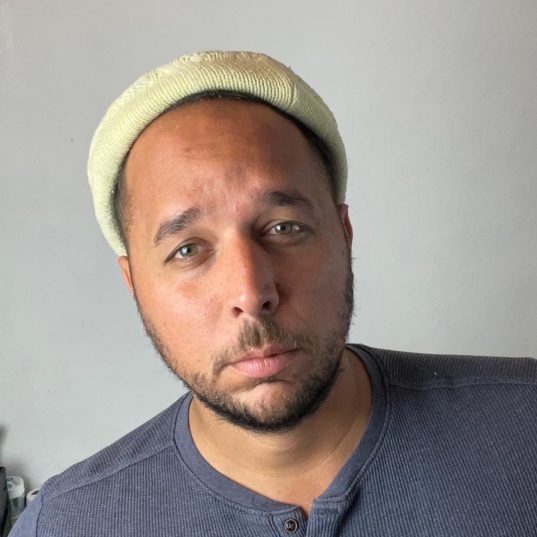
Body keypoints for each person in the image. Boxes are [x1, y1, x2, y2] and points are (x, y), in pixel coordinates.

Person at [11, 51, 537, 537]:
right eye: (188, 250)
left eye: (284, 228)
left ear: (344, 236)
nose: (250, 291)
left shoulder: (525, 426)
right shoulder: (63, 525)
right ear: (134, 285)